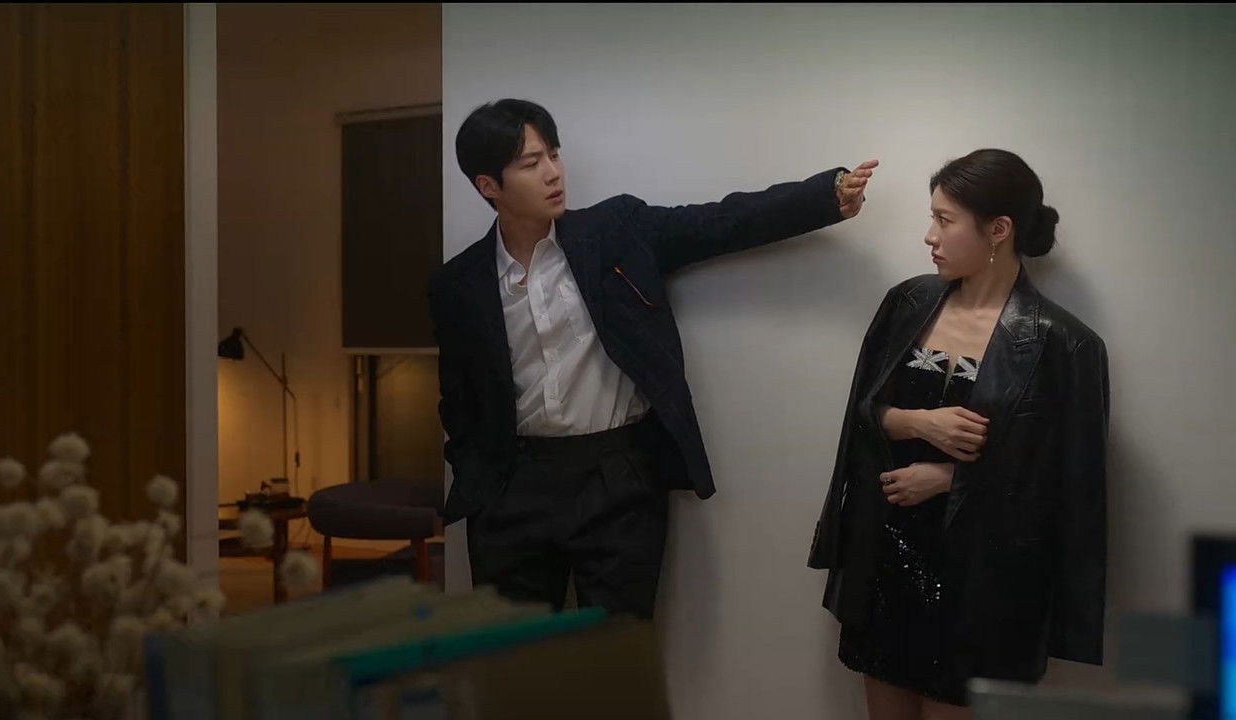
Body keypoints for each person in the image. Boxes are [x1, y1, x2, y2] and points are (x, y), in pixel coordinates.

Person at [430, 97, 877, 619]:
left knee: (618, 652)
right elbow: (458, 398)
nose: (553, 172)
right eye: (532, 163)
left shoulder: (615, 231)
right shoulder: (457, 284)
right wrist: (482, 480)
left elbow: (719, 222)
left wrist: (824, 196)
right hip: (513, 488)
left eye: (554, 154)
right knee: (513, 656)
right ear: (489, 185)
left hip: (617, 477)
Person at [808, 149, 1110, 718]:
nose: (930, 235)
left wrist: (954, 479)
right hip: (885, 559)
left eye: (945, 220)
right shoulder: (908, 302)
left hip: (983, 581)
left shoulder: (1064, 344)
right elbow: (861, 415)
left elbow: (1072, 489)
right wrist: (914, 421)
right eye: (933, 217)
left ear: (999, 230)